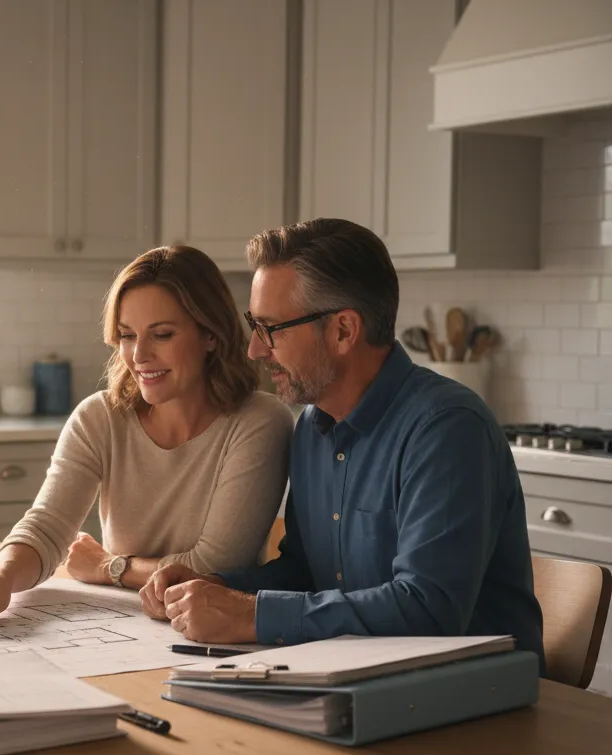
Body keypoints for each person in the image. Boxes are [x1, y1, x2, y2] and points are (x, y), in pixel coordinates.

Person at [140, 219, 545, 670]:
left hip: (477, 702)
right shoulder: (314, 426)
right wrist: (215, 586)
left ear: (343, 331)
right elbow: (306, 572)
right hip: (370, 680)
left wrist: (251, 615)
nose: (255, 350)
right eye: (254, 325)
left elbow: (430, 610)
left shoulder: (447, 429)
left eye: (271, 328)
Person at [0, 245, 294, 626]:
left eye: (162, 335)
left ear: (210, 335)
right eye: (128, 336)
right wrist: (1, 576)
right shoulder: (99, 418)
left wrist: (109, 567)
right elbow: (46, 529)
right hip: (115, 624)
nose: (139, 355)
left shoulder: (259, 422)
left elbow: (212, 567)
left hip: (208, 629)